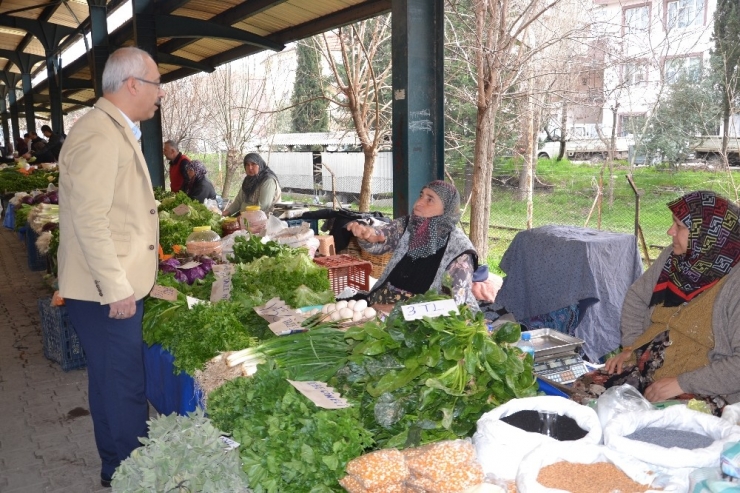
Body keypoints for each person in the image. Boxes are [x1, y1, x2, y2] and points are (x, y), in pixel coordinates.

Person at [57, 46, 164, 488]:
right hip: (105, 293)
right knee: (122, 388)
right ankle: (131, 474)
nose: (161, 94)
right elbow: (90, 219)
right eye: (157, 84)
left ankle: (116, 469)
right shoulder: (100, 134)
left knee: (111, 384)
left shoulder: (112, 129)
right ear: (133, 84)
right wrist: (117, 286)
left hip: (104, 289)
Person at [572, 191, 740, 413]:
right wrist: (631, 347)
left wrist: (681, 383)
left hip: (702, 386)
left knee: (657, 427)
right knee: (584, 393)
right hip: (647, 366)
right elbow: (636, 297)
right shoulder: (674, 258)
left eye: (679, 226)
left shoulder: (734, 284)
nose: (670, 231)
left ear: (708, 236)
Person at [346, 180, 479, 312]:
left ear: (446, 209)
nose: (419, 203)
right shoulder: (409, 225)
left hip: (422, 318)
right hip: (384, 302)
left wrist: (397, 310)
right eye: (421, 195)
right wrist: (369, 235)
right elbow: (382, 238)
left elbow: (451, 306)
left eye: (430, 199)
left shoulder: (460, 251)